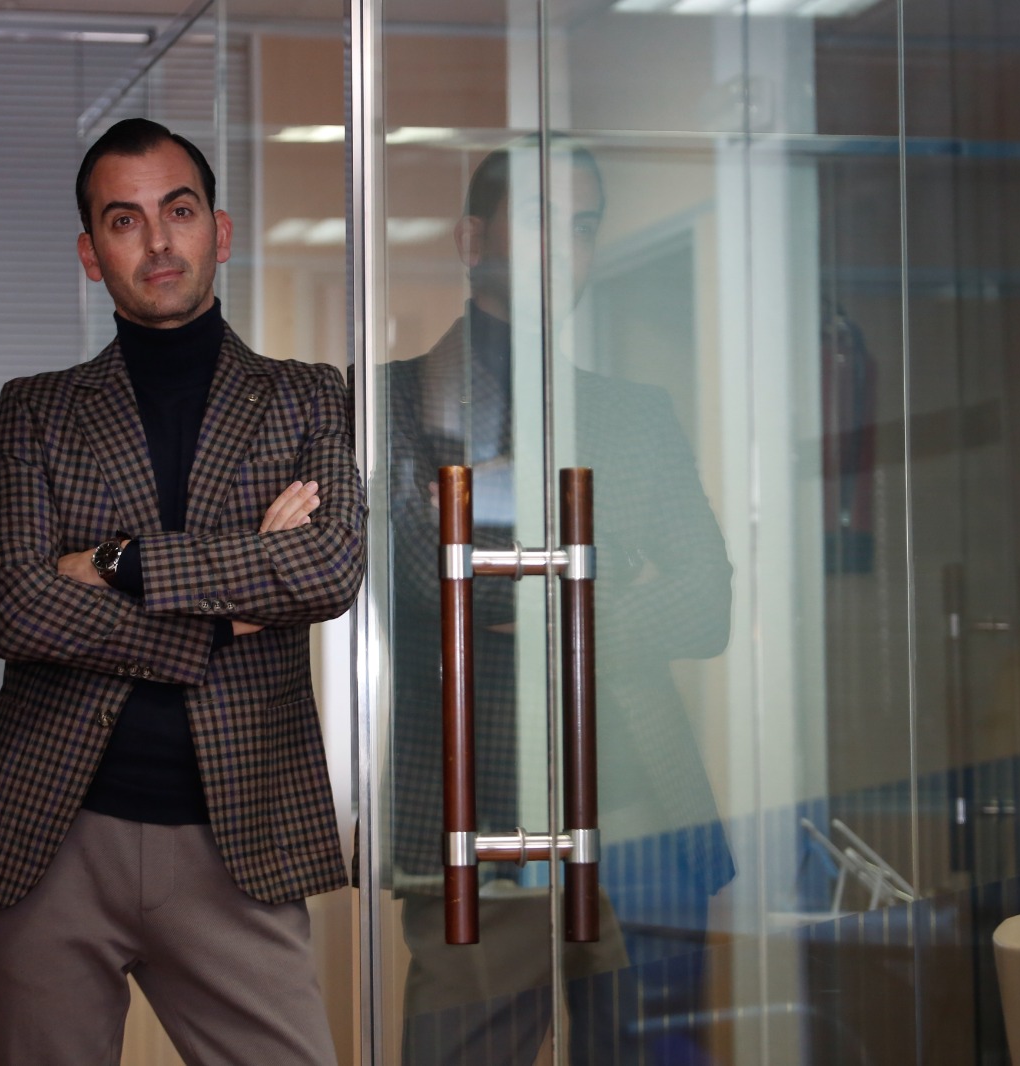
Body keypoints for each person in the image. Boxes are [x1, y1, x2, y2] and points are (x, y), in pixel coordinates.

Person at [0, 118, 365, 1066]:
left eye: (178, 211)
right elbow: (16, 604)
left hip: (238, 837)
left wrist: (115, 562)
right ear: (91, 256)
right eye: (124, 221)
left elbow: (328, 566)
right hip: (51, 842)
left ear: (221, 231)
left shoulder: (308, 396)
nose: (158, 240)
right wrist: (225, 613)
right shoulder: (36, 410)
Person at [385, 139, 734, 1064]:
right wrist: (609, 571)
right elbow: (429, 584)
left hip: (644, 816)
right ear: (471, 239)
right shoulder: (393, 404)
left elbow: (707, 603)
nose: (566, 249)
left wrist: (545, 596)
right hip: (481, 820)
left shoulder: (634, 413)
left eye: (583, 227)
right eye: (541, 220)